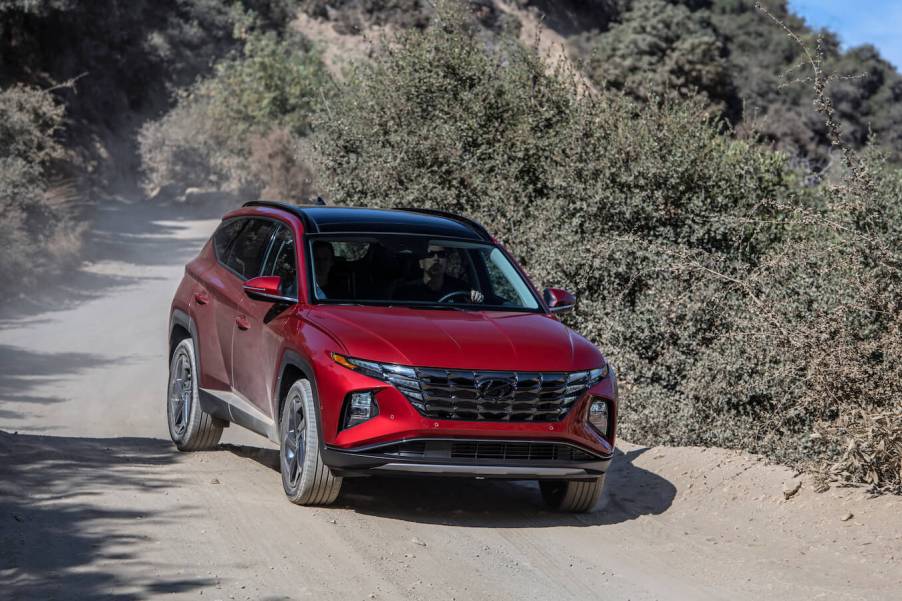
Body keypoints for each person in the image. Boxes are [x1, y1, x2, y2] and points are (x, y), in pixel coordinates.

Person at [395, 243, 484, 303]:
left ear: (446, 262)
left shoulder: (461, 288)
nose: (436, 259)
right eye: (430, 255)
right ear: (421, 263)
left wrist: (475, 298)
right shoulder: (406, 292)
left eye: (441, 255)